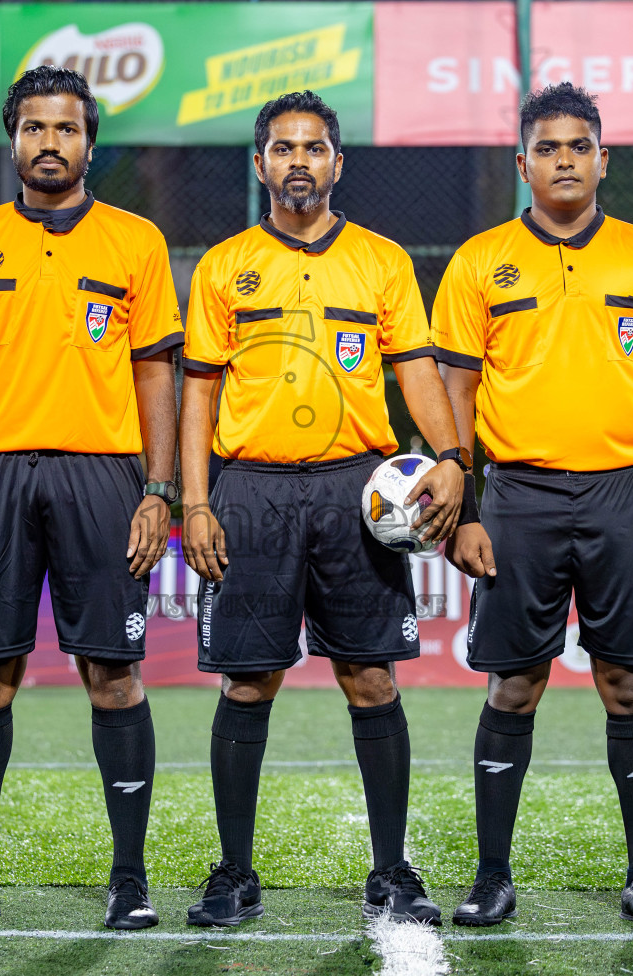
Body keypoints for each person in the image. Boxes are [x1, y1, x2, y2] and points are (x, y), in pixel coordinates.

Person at [179, 90, 465, 928]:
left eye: (314, 148)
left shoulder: (381, 261)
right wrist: (195, 501)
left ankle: (392, 870)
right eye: (282, 148)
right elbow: (196, 396)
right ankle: (234, 871)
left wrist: (451, 459)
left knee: (368, 676)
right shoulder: (224, 266)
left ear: (338, 164)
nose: (298, 160)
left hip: (358, 490)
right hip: (251, 490)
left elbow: (416, 371)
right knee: (248, 682)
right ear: (261, 164)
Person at [432, 83, 633, 930]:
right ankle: (491, 877)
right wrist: (464, 505)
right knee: (515, 686)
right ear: (523, 163)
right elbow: (455, 389)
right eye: (547, 148)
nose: (564, 160)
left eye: (579, 146)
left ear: (602, 158)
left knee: (629, 684)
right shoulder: (480, 260)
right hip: (518, 496)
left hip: (627, 491)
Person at [0, 66, 182, 932]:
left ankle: (130, 880)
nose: (50, 143)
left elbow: (156, 377)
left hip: (103, 474)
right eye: (34, 128)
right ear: (15, 139)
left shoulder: (136, 242)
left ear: (89, 143)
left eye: (66, 129)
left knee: (114, 675)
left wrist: (159, 490)